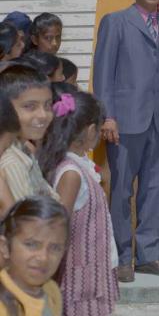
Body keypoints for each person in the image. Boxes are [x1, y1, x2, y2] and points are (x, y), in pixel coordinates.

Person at [92, 0, 159, 282]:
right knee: (121, 191)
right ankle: (121, 257)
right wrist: (107, 115)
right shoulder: (116, 22)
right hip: (124, 122)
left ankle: (148, 255)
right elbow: (103, 73)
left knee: (153, 189)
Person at [39, 90, 119, 316]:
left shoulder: (76, 164)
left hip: (91, 275)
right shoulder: (71, 174)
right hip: (80, 282)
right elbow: (58, 231)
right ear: (91, 130)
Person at [0, 65, 58, 214]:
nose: (43, 115)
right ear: (5, 109)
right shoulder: (12, 162)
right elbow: (28, 224)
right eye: (30, 106)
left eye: (47, 105)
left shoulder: (25, 150)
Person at [0, 197, 68, 316]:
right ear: (5, 247)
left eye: (55, 247)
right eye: (31, 244)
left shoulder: (51, 291)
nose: (43, 257)